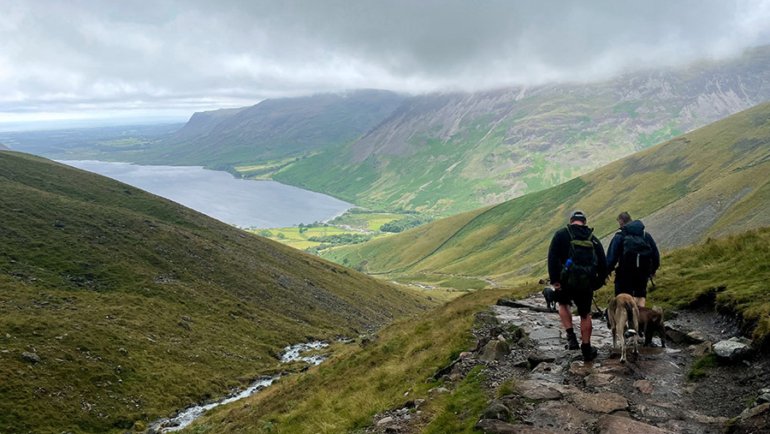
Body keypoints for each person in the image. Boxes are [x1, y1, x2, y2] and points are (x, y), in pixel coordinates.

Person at [547, 210, 608, 361]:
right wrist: (596, 283)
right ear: (584, 222)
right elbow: (603, 263)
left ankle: (571, 337)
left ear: (571, 220)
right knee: (585, 314)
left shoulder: (561, 234)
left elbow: (552, 257)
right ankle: (586, 349)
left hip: (565, 281)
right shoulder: (592, 238)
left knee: (562, 304)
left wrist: (555, 280)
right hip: (586, 284)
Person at [606, 212, 660, 308]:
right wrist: (652, 271)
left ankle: (624, 321)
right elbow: (655, 255)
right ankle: (639, 320)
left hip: (624, 276)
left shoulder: (619, 236)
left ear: (621, 221)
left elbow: (611, 258)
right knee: (640, 299)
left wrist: (606, 271)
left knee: (622, 304)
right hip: (642, 275)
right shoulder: (645, 235)